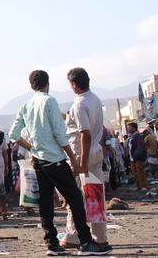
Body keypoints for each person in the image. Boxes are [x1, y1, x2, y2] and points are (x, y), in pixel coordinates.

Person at [9, 70, 112, 256]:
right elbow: (59, 133)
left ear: (31, 85)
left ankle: (52, 244)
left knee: (46, 202)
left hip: (39, 160)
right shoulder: (50, 101)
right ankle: (86, 242)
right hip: (55, 159)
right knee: (75, 199)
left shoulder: (26, 105)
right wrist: (72, 157)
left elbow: (13, 135)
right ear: (47, 83)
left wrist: (31, 148)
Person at [61, 67, 109, 251]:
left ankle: (74, 236)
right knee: (94, 196)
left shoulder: (80, 104)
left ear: (74, 84)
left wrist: (81, 163)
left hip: (83, 154)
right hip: (94, 152)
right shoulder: (94, 99)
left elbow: (85, 134)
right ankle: (98, 238)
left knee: (76, 196)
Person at [126, 123, 148, 190]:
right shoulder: (131, 137)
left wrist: (136, 156)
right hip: (132, 158)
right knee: (135, 173)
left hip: (138, 158)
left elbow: (140, 148)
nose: (128, 129)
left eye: (129, 127)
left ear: (134, 128)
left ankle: (143, 186)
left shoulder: (138, 136)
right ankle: (138, 186)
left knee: (140, 172)